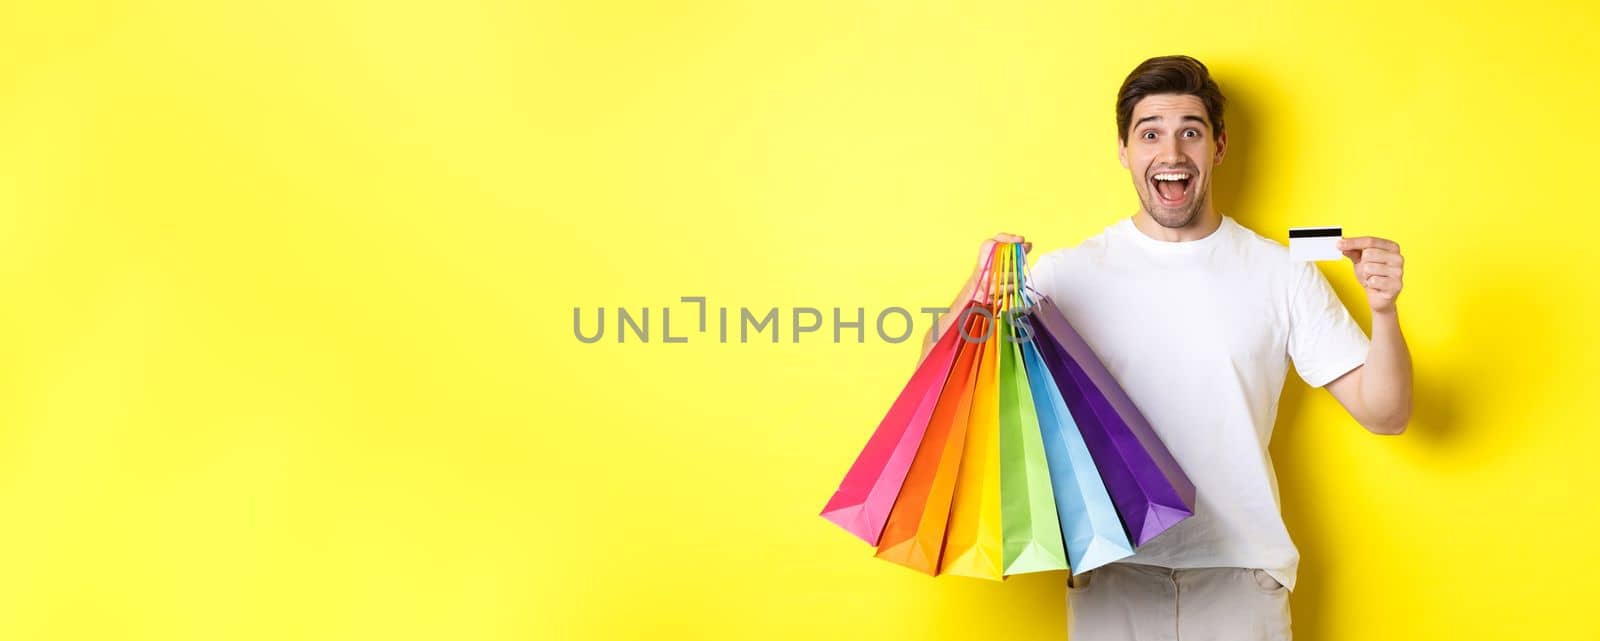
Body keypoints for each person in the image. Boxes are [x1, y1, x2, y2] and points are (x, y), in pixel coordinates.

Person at [920, 55, 1412, 640]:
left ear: (1219, 147)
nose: (1172, 153)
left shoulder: (1281, 274)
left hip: (1241, 576)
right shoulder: (1063, 276)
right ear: (1125, 151)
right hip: (1112, 573)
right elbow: (940, 375)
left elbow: (1385, 413)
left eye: (1190, 133)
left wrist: (1384, 311)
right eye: (1150, 133)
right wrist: (973, 294)